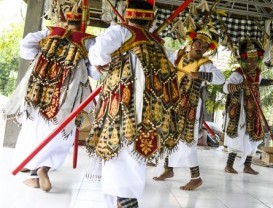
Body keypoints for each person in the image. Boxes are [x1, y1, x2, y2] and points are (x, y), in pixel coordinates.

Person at [85, 1, 179, 207]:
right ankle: (123, 200)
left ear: (127, 16)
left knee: (119, 151)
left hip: (122, 106)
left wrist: (99, 62)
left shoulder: (121, 31)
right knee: (131, 155)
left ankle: (125, 201)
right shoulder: (157, 43)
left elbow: (98, 51)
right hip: (149, 111)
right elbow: (172, 66)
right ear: (152, 19)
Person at [2, 5, 97, 192]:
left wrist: (49, 33)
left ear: (64, 18)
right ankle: (44, 168)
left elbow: (26, 49)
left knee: (35, 128)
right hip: (67, 96)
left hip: (40, 91)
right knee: (62, 131)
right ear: (84, 22)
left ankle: (34, 173)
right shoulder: (88, 42)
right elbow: (94, 70)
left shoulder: (50, 33)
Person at [152, 24, 225, 190]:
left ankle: (196, 177)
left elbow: (220, 79)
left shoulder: (205, 63)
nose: (200, 48)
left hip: (191, 106)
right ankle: (168, 169)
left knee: (187, 140)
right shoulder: (178, 55)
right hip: (171, 102)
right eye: (198, 43)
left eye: (205, 46)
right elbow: (162, 59)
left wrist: (200, 74)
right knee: (168, 134)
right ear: (191, 43)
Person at [223, 38, 273, 175]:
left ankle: (247, 166)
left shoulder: (257, 72)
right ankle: (228, 165)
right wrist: (241, 85)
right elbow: (225, 88)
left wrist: (270, 81)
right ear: (244, 60)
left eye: (255, 60)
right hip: (240, 110)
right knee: (239, 137)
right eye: (249, 60)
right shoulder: (238, 73)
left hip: (253, 108)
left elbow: (258, 82)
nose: (252, 63)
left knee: (252, 138)